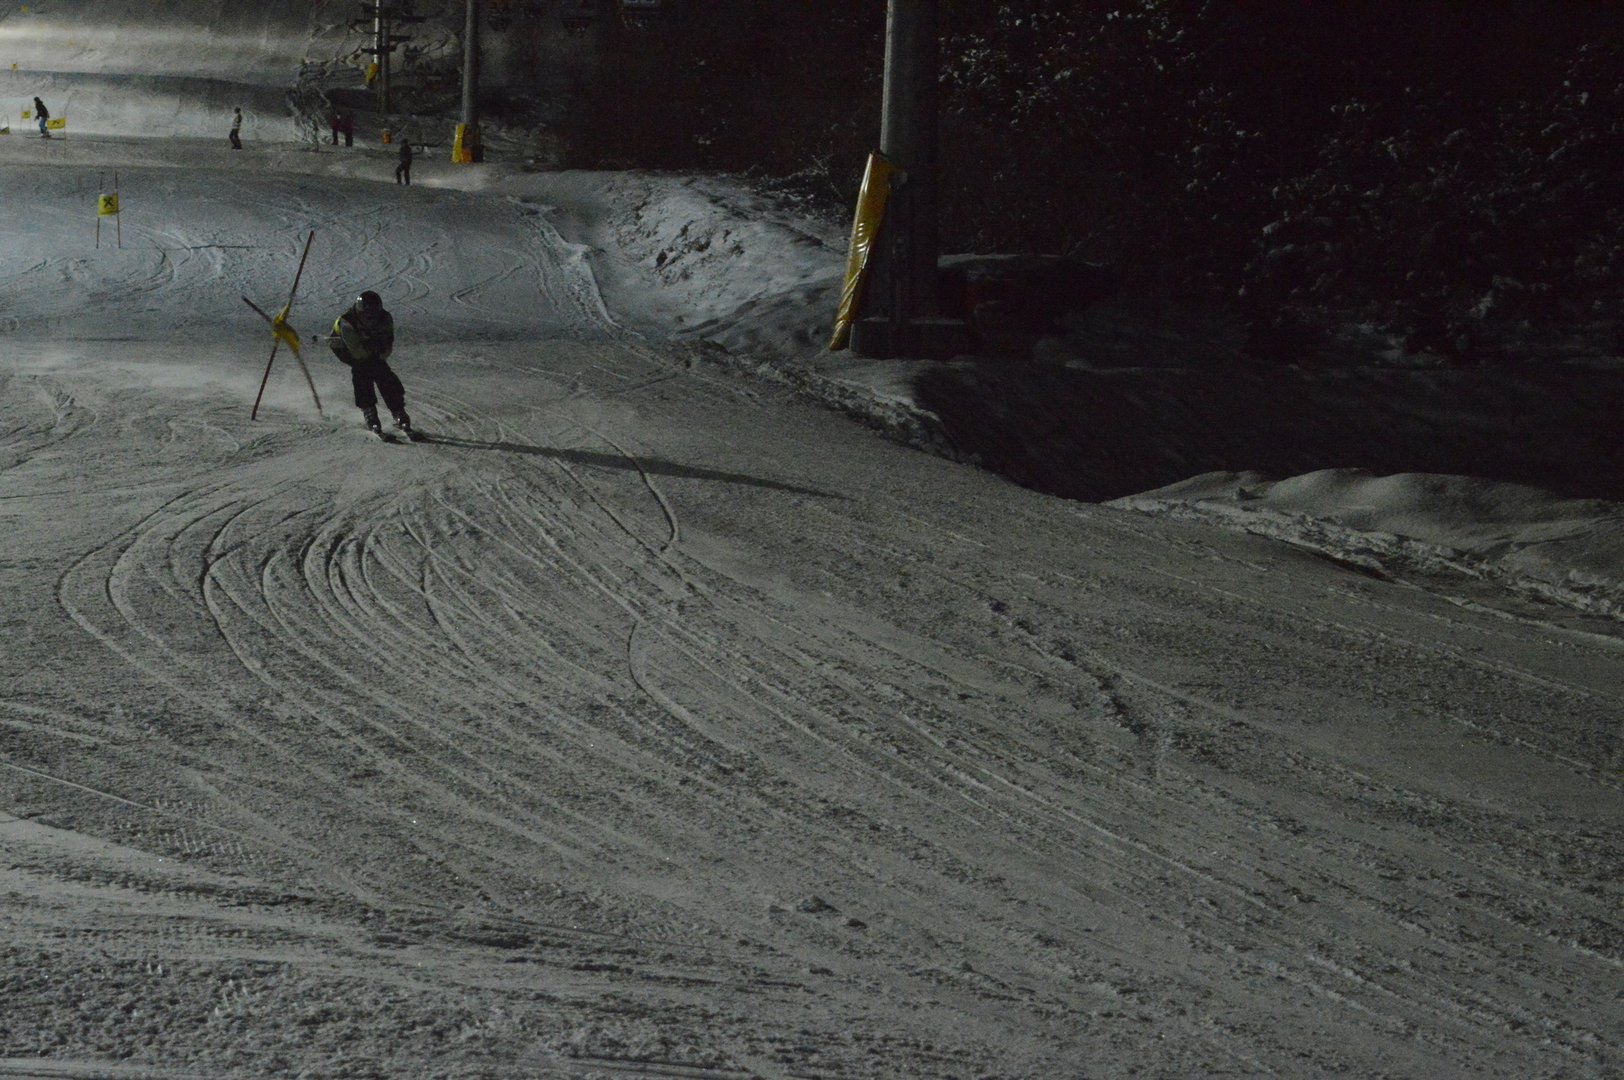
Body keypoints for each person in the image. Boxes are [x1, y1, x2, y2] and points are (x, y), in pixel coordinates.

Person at [329, 291, 413, 438]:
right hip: (345, 349)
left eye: (374, 315)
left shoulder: (385, 319)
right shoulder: (347, 322)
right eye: (366, 316)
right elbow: (356, 351)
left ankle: (398, 410)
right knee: (362, 372)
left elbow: (387, 345)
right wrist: (372, 350)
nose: (370, 319)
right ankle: (369, 411)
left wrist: (379, 353)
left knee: (384, 374)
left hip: (370, 349)